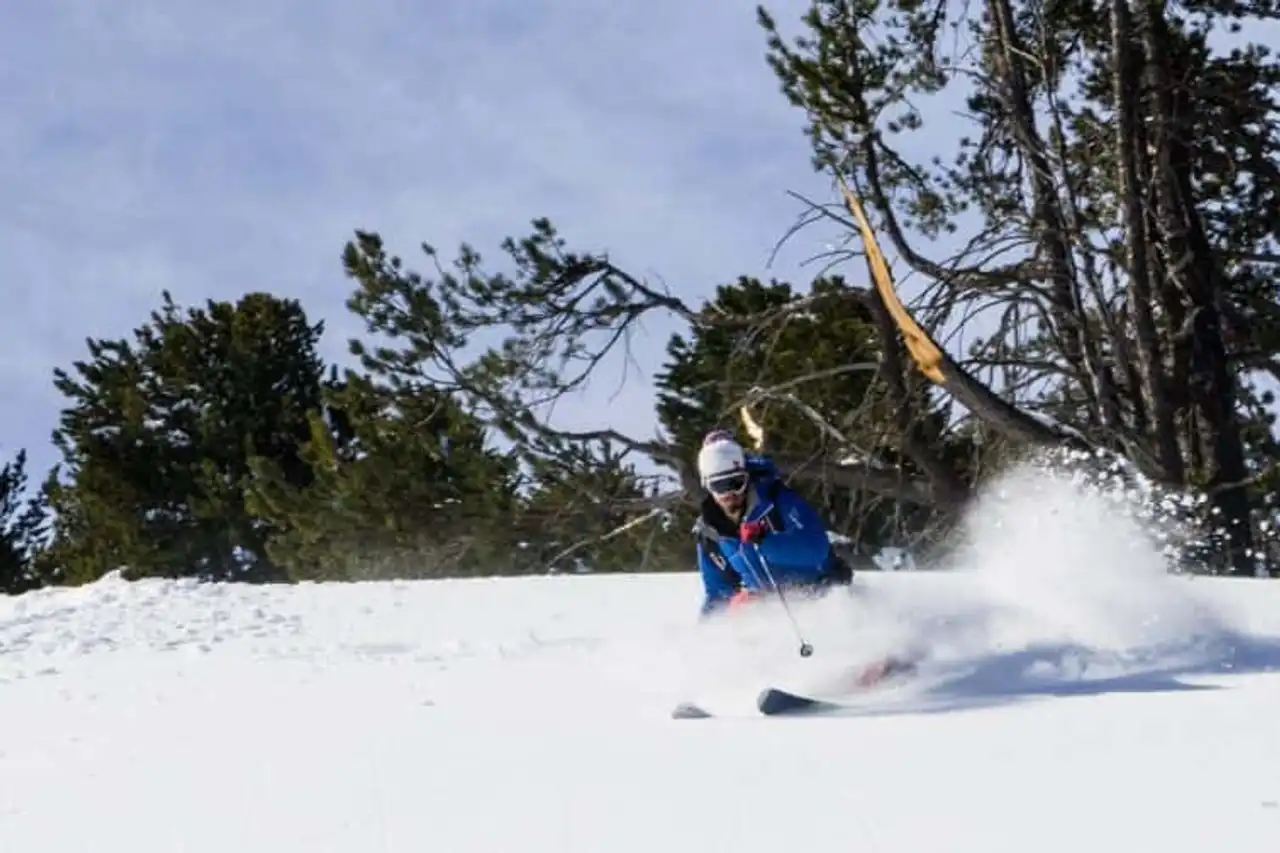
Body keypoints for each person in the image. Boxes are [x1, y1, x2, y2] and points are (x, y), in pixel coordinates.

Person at [693, 430, 853, 618]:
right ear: (707, 485)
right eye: (719, 486)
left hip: (822, 595)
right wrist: (708, 629)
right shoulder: (710, 534)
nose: (730, 493)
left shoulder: (777, 500)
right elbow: (717, 594)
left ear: (746, 476)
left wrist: (765, 541)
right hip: (770, 612)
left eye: (736, 482)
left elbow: (817, 550)